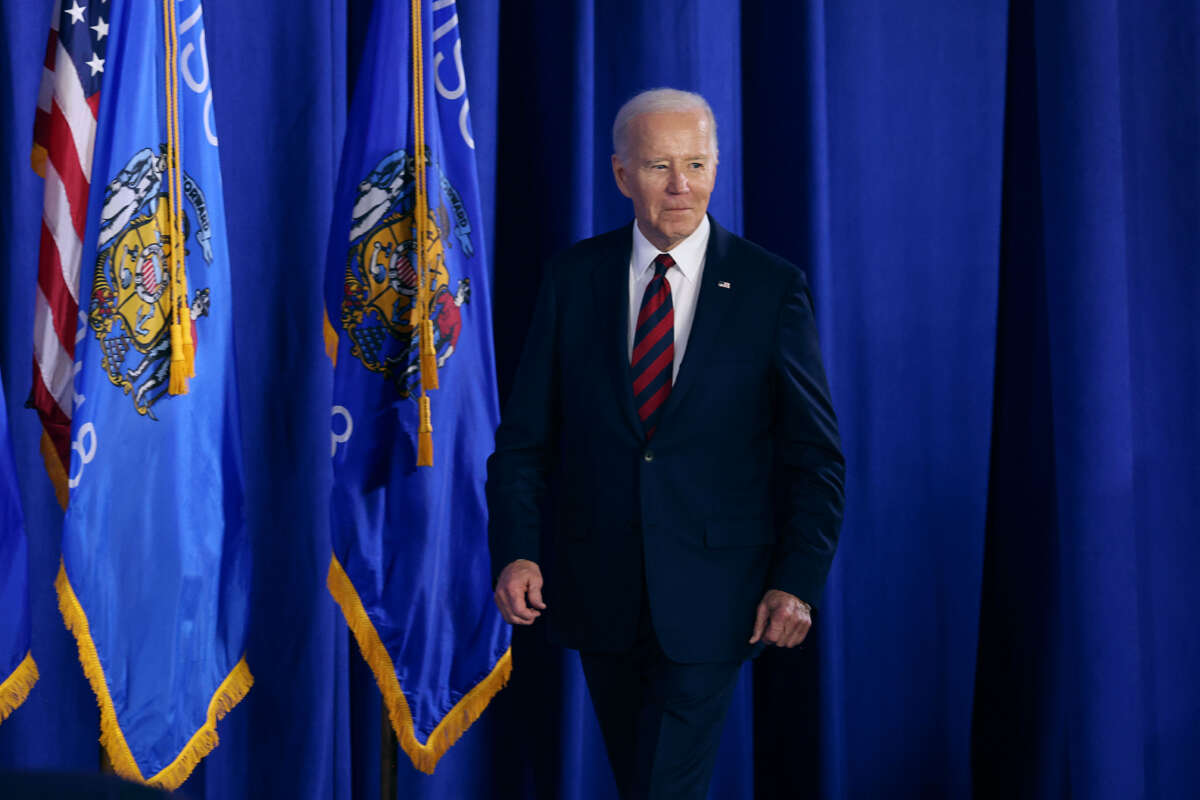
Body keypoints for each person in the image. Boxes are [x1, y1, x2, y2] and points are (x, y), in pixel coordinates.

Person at [487, 88, 845, 799]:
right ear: (622, 175)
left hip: (720, 598)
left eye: (697, 163)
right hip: (599, 591)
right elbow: (525, 441)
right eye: (659, 165)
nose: (682, 184)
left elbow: (816, 459)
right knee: (640, 781)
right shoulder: (572, 280)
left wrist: (797, 579)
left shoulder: (771, 289)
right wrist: (517, 548)